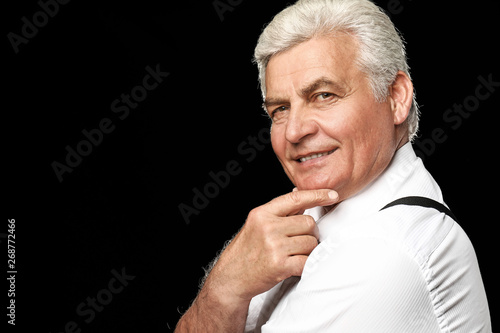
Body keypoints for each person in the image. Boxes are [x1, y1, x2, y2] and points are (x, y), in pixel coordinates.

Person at [175, 0, 492, 331]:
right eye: (280, 108)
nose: (295, 130)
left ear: (396, 97)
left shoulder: (380, 254)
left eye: (323, 95)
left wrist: (224, 290)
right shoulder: (317, 218)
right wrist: (227, 290)